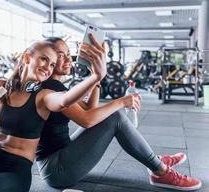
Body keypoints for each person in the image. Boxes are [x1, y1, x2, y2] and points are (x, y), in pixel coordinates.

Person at [36, 37, 202, 191]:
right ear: (48, 58)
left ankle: (155, 162)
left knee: (110, 116)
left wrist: (97, 79)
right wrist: (121, 102)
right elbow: (87, 121)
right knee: (115, 117)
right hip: (56, 170)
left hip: (61, 155)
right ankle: (160, 171)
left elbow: (89, 109)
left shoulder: (56, 87)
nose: (68, 60)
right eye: (60, 55)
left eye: (67, 54)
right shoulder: (49, 88)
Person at [0, 38, 107, 192]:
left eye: (52, 64)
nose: (48, 67)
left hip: (13, 173)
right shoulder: (3, 85)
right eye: (44, 59)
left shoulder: (44, 96)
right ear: (27, 57)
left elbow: (65, 100)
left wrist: (95, 78)